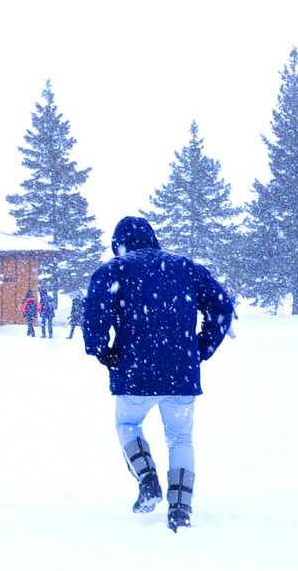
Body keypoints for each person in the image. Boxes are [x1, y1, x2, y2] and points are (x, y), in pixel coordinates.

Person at [83, 216, 233, 532]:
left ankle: (147, 477)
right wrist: (201, 347)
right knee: (180, 438)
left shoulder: (114, 270)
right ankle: (180, 510)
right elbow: (222, 306)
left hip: (134, 370)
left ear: (118, 243)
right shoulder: (185, 268)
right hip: (180, 373)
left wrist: (101, 350)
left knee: (127, 423)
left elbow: (95, 310)